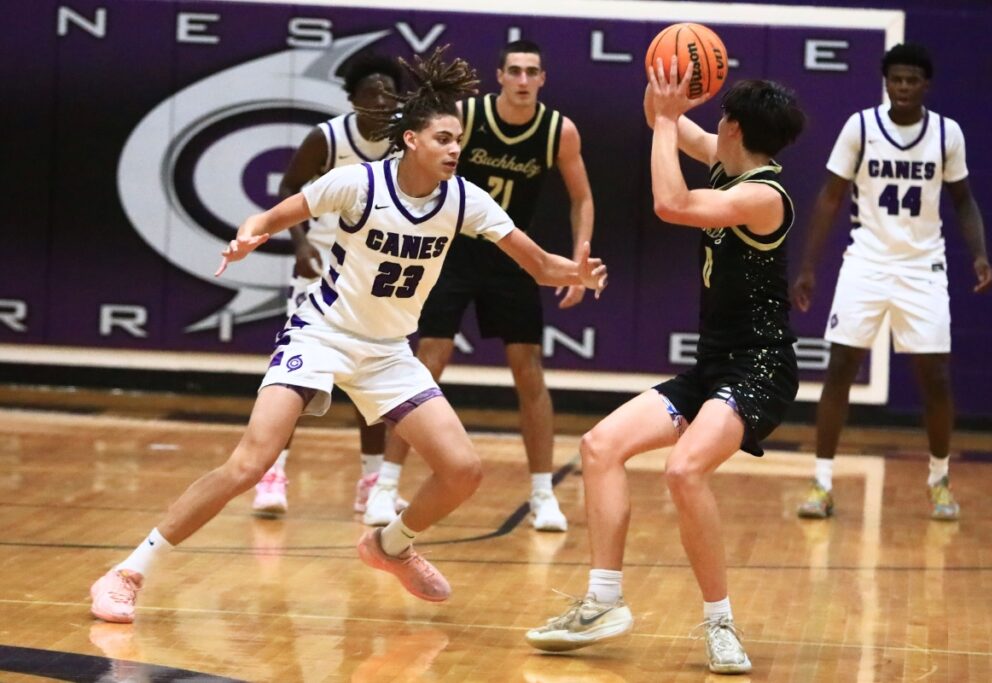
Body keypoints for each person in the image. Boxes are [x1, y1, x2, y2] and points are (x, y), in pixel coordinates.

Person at [88, 47, 608, 623]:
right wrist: (246, 238)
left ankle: (390, 545)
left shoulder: (465, 199)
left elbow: (536, 265)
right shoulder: (354, 184)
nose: (455, 148)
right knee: (250, 463)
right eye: (442, 139)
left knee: (464, 470)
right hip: (322, 334)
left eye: (457, 139)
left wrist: (574, 271)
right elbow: (272, 216)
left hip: (387, 353)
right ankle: (128, 571)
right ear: (411, 140)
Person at [525, 57, 805, 676]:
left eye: (720, 118)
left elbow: (670, 203)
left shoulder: (762, 194)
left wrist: (669, 118)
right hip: (713, 366)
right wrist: (663, 96)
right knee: (600, 446)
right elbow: (666, 125)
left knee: (684, 472)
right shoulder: (731, 160)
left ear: (732, 127)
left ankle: (720, 623)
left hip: (759, 368)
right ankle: (603, 602)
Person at [363, 40, 595, 532]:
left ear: (543, 79)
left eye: (533, 71)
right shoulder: (466, 117)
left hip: (512, 258)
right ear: (500, 76)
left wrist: (579, 256)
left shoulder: (558, 130)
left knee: (528, 370)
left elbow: (582, 197)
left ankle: (541, 495)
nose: (524, 79)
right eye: (515, 70)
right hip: (453, 253)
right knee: (426, 361)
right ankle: (385, 487)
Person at [792, 43, 992, 521]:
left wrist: (980, 254)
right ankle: (821, 483)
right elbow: (829, 197)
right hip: (866, 262)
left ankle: (939, 479)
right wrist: (808, 267)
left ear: (926, 85)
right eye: (895, 79)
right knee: (840, 365)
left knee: (937, 378)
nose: (903, 86)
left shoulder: (947, 133)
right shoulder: (860, 127)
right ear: (886, 82)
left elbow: (963, 200)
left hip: (924, 266)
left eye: (912, 79)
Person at [252, 53, 408, 517]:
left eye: (387, 92)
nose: (380, 100)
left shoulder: (406, 142)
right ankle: (272, 475)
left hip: (373, 274)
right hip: (321, 269)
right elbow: (287, 189)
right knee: (297, 378)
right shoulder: (328, 138)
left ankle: (372, 482)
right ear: (352, 100)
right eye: (370, 92)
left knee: (372, 384)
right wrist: (299, 245)